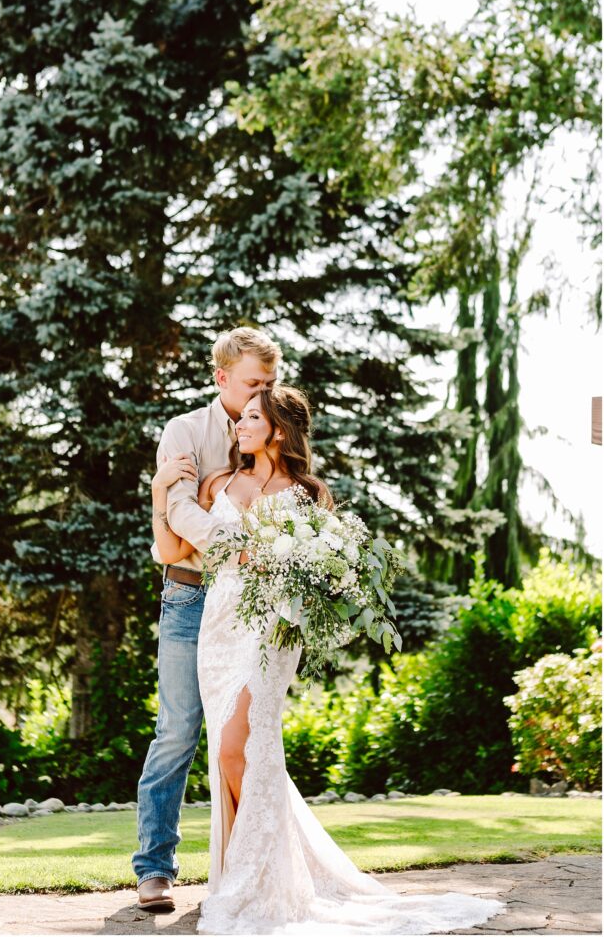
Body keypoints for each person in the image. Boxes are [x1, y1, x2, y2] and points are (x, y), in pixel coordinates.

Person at [152, 384, 507, 935]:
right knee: (238, 754)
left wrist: (287, 569)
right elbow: (175, 550)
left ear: (276, 430)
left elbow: (322, 576)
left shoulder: (308, 492)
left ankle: (254, 871)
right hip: (218, 628)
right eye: (240, 418)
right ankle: (264, 870)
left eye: (250, 418)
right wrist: (160, 496)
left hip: (270, 630)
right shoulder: (217, 482)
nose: (239, 425)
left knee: (235, 749)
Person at [132, 326, 281, 912]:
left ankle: (243, 869)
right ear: (222, 378)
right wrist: (233, 547)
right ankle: (154, 869)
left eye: (270, 382)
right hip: (191, 595)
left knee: (242, 738)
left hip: (251, 606)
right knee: (178, 730)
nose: (260, 394)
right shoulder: (185, 431)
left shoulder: (275, 429)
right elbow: (176, 512)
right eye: (252, 382)